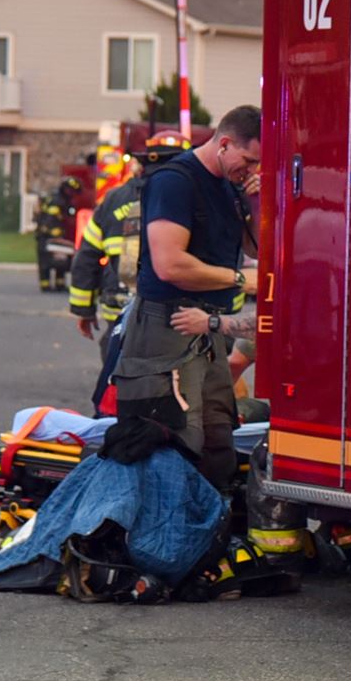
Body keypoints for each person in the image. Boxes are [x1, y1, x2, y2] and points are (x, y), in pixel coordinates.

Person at [111, 107, 261, 490]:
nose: (251, 170)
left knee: (217, 440)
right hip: (166, 327)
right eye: (248, 160)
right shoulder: (175, 182)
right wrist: (240, 280)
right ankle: (157, 538)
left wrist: (257, 201)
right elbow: (170, 264)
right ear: (225, 143)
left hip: (206, 330)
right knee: (172, 439)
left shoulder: (231, 187)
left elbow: (257, 248)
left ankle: (206, 531)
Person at [68, 134, 187, 339]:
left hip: (120, 312)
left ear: (141, 164)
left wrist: (84, 310)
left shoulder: (113, 199)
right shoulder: (194, 196)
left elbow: (87, 256)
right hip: (182, 317)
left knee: (117, 368)